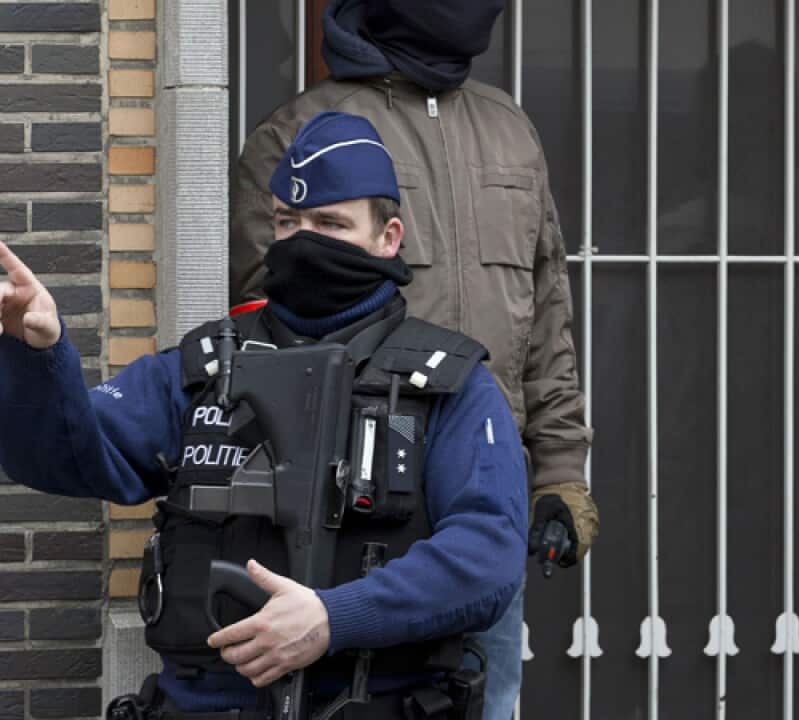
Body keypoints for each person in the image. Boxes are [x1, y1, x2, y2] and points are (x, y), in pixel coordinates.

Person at [0, 111, 527, 717]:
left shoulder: (449, 385)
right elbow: (66, 456)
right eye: (288, 222)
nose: (304, 241)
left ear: (389, 238)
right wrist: (36, 355)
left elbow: (488, 555)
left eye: (330, 224)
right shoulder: (202, 367)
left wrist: (334, 617)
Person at [229, 4, 599, 717]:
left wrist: (560, 473)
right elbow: (265, 335)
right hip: (351, 515)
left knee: (487, 701)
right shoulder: (303, 132)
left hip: (480, 506)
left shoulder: (508, 131)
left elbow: (546, 321)